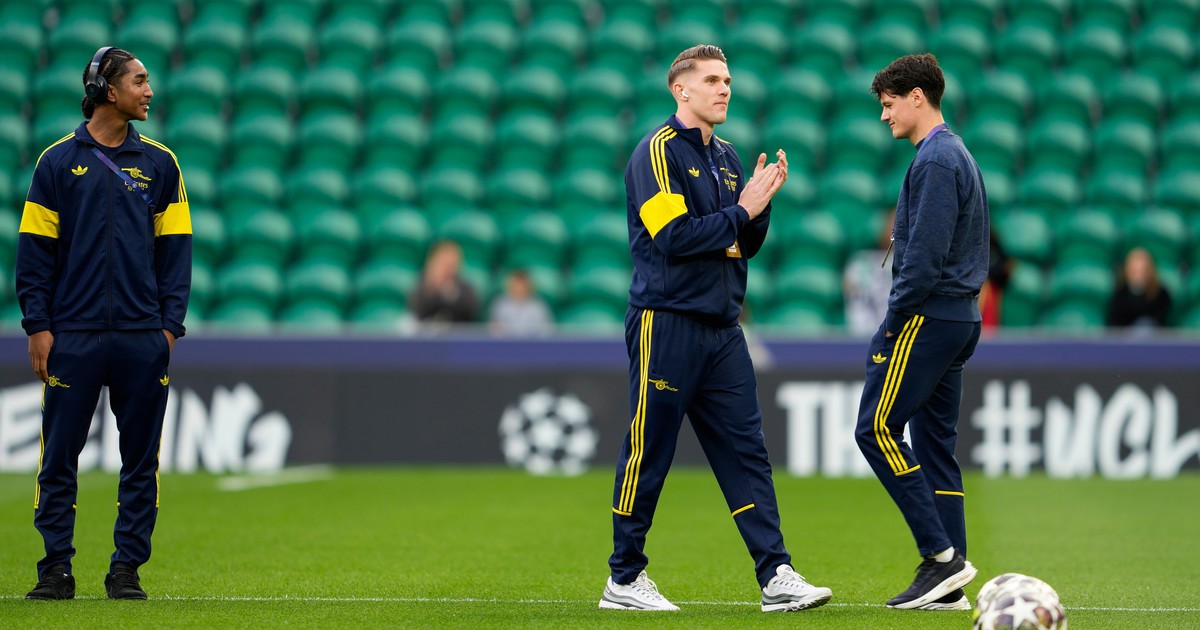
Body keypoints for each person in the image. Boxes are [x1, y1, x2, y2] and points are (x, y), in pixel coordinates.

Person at [599, 44, 832, 614]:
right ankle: (624, 578)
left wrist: (759, 206)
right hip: (667, 323)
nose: (724, 88)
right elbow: (674, 238)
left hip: (724, 329)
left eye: (727, 80)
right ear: (680, 90)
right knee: (650, 450)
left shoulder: (727, 157)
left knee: (747, 452)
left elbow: (739, 244)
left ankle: (775, 574)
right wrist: (740, 212)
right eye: (711, 80)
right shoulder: (656, 152)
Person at [16, 47, 192, 600]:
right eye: (139, 81)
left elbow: (177, 253)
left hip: (143, 338)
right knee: (58, 458)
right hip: (72, 335)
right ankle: (55, 569)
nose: (149, 91)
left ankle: (126, 571)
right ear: (108, 91)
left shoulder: (162, 164)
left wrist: (168, 328)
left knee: (140, 462)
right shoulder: (55, 163)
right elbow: (34, 253)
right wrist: (38, 325)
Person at [853, 53, 988, 611]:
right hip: (959, 317)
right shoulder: (957, 152)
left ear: (917, 97)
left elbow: (925, 258)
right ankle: (949, 586)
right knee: (935, 448)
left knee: (875, 429)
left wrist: (893, 321)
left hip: (929, 316)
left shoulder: (935, 159)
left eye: (889, 105)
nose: (884, 116)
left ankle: (940, 557)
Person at [843, 207, 896, 336]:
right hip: (861, 339)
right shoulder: (861, 262)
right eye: (894, 222)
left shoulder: (923, 267)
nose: (898, 229)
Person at [408, 240, 480, 325]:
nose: (447, 269)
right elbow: (418, 311)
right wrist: (435, 290)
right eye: (444, 263)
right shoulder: (424, 286)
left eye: (450, 265)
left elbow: (471, 312)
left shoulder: (464, 288)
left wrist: (452, 295)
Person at [1107, 247, 1172, 330]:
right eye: (1134, 270)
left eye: (1142, 270)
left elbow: (1162, 323)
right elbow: (1115, 325)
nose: (1138, 275)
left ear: (1149, 271)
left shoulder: (1161, 295)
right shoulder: (1119, 295)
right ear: (1127, 270)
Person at [488, 268, 554, 336]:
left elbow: (547, 331)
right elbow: (493, 330)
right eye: (516, 285)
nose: (519, 288)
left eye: (522, 285)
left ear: (528, 286)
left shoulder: (538, 306)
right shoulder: (500, 304)